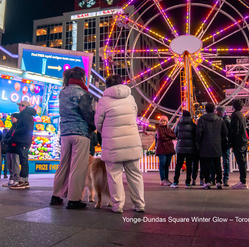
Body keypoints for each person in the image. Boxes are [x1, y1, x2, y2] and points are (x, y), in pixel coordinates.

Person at [95, 75, 145, 213]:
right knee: (135, 174)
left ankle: (118, 205)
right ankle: (139, 204)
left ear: (107, 86)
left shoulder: (103, 101)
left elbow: (98, 123)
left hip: (113, 144)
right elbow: (134, 116)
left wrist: (106, 130)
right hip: (131, 142)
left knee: (114, 175)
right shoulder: (131, 98)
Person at [50, 67, 95, 209]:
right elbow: (88, 114)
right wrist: (93, 127)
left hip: (64, 133)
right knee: (78, 168)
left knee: (63, 165)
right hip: (80, 133)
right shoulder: (83, 93)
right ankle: (74, 199)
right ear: (82, 78)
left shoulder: (62, 92)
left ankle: (56, 196)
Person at [196, 103, 228, 190]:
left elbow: (199, 133)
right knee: (217, 164)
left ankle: (207, 182)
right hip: (216, 145)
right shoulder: (220, 119)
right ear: (214, 110)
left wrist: (199, 142)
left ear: (205, 110)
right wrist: (219, 140)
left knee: (206, 165)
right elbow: (225, 132)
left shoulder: (202, 119)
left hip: (205, 145)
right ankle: (219, 182)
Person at [9, 100, 36, 189]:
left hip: (23, 141)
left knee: (23, 161)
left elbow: (27, 128)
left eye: (20, 106)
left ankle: (22, 181)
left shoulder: (26, 116)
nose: (19, 107)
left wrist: (16, 131)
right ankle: (24, 181)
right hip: (23, 141)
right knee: (23, 160)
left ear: (24, 106)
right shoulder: (26, 115)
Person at [171, 110, 196, 189]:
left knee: (178, 165)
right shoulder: (193, 125)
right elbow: (196, 135)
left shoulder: (179, 124)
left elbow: (175, 134)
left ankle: (175, 182)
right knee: (189, 166)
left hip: (181, 147)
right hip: (190, 147)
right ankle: (188, 182)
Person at [229, 99, 249, 189]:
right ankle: (242, 180)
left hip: (238, 142)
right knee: (243, 162)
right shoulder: (242, 116)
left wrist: (231, 140)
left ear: (233, 106)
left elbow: (234, 130)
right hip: (244, 141)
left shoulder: (235, 116)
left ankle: (243, 182)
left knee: (240, 162)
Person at [155, 115, 176, 186]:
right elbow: (161, 137)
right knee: (162, 164)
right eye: (162, 121)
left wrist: (167, 134)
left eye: (164, 121)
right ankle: (163, 179)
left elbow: (174, 136)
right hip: (162, 149)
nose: (163, 122)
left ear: (167, 122)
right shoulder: (159, 129)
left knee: (167, 165)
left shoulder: (169, 129)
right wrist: (169, 136)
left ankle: (166, 179)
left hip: (169, 149)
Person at [3, 113, 21, 188]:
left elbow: (13, 137)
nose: (11, 118)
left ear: (16, 118)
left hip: (15, 148)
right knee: (10, 165)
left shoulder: (18, 127)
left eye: (12, 117)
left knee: (15, 165)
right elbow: (8, 136)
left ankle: (16, 179)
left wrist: (8, 140)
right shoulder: (12, 126)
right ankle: (11, 179)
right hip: (10, 148)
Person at [216, 106, 232, 186]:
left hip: (221, 143)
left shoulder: (221, 120)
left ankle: (219, 178)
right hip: (226, 143)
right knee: (226, 161)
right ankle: (225, 179)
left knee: (218, 161)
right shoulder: (228, 120)